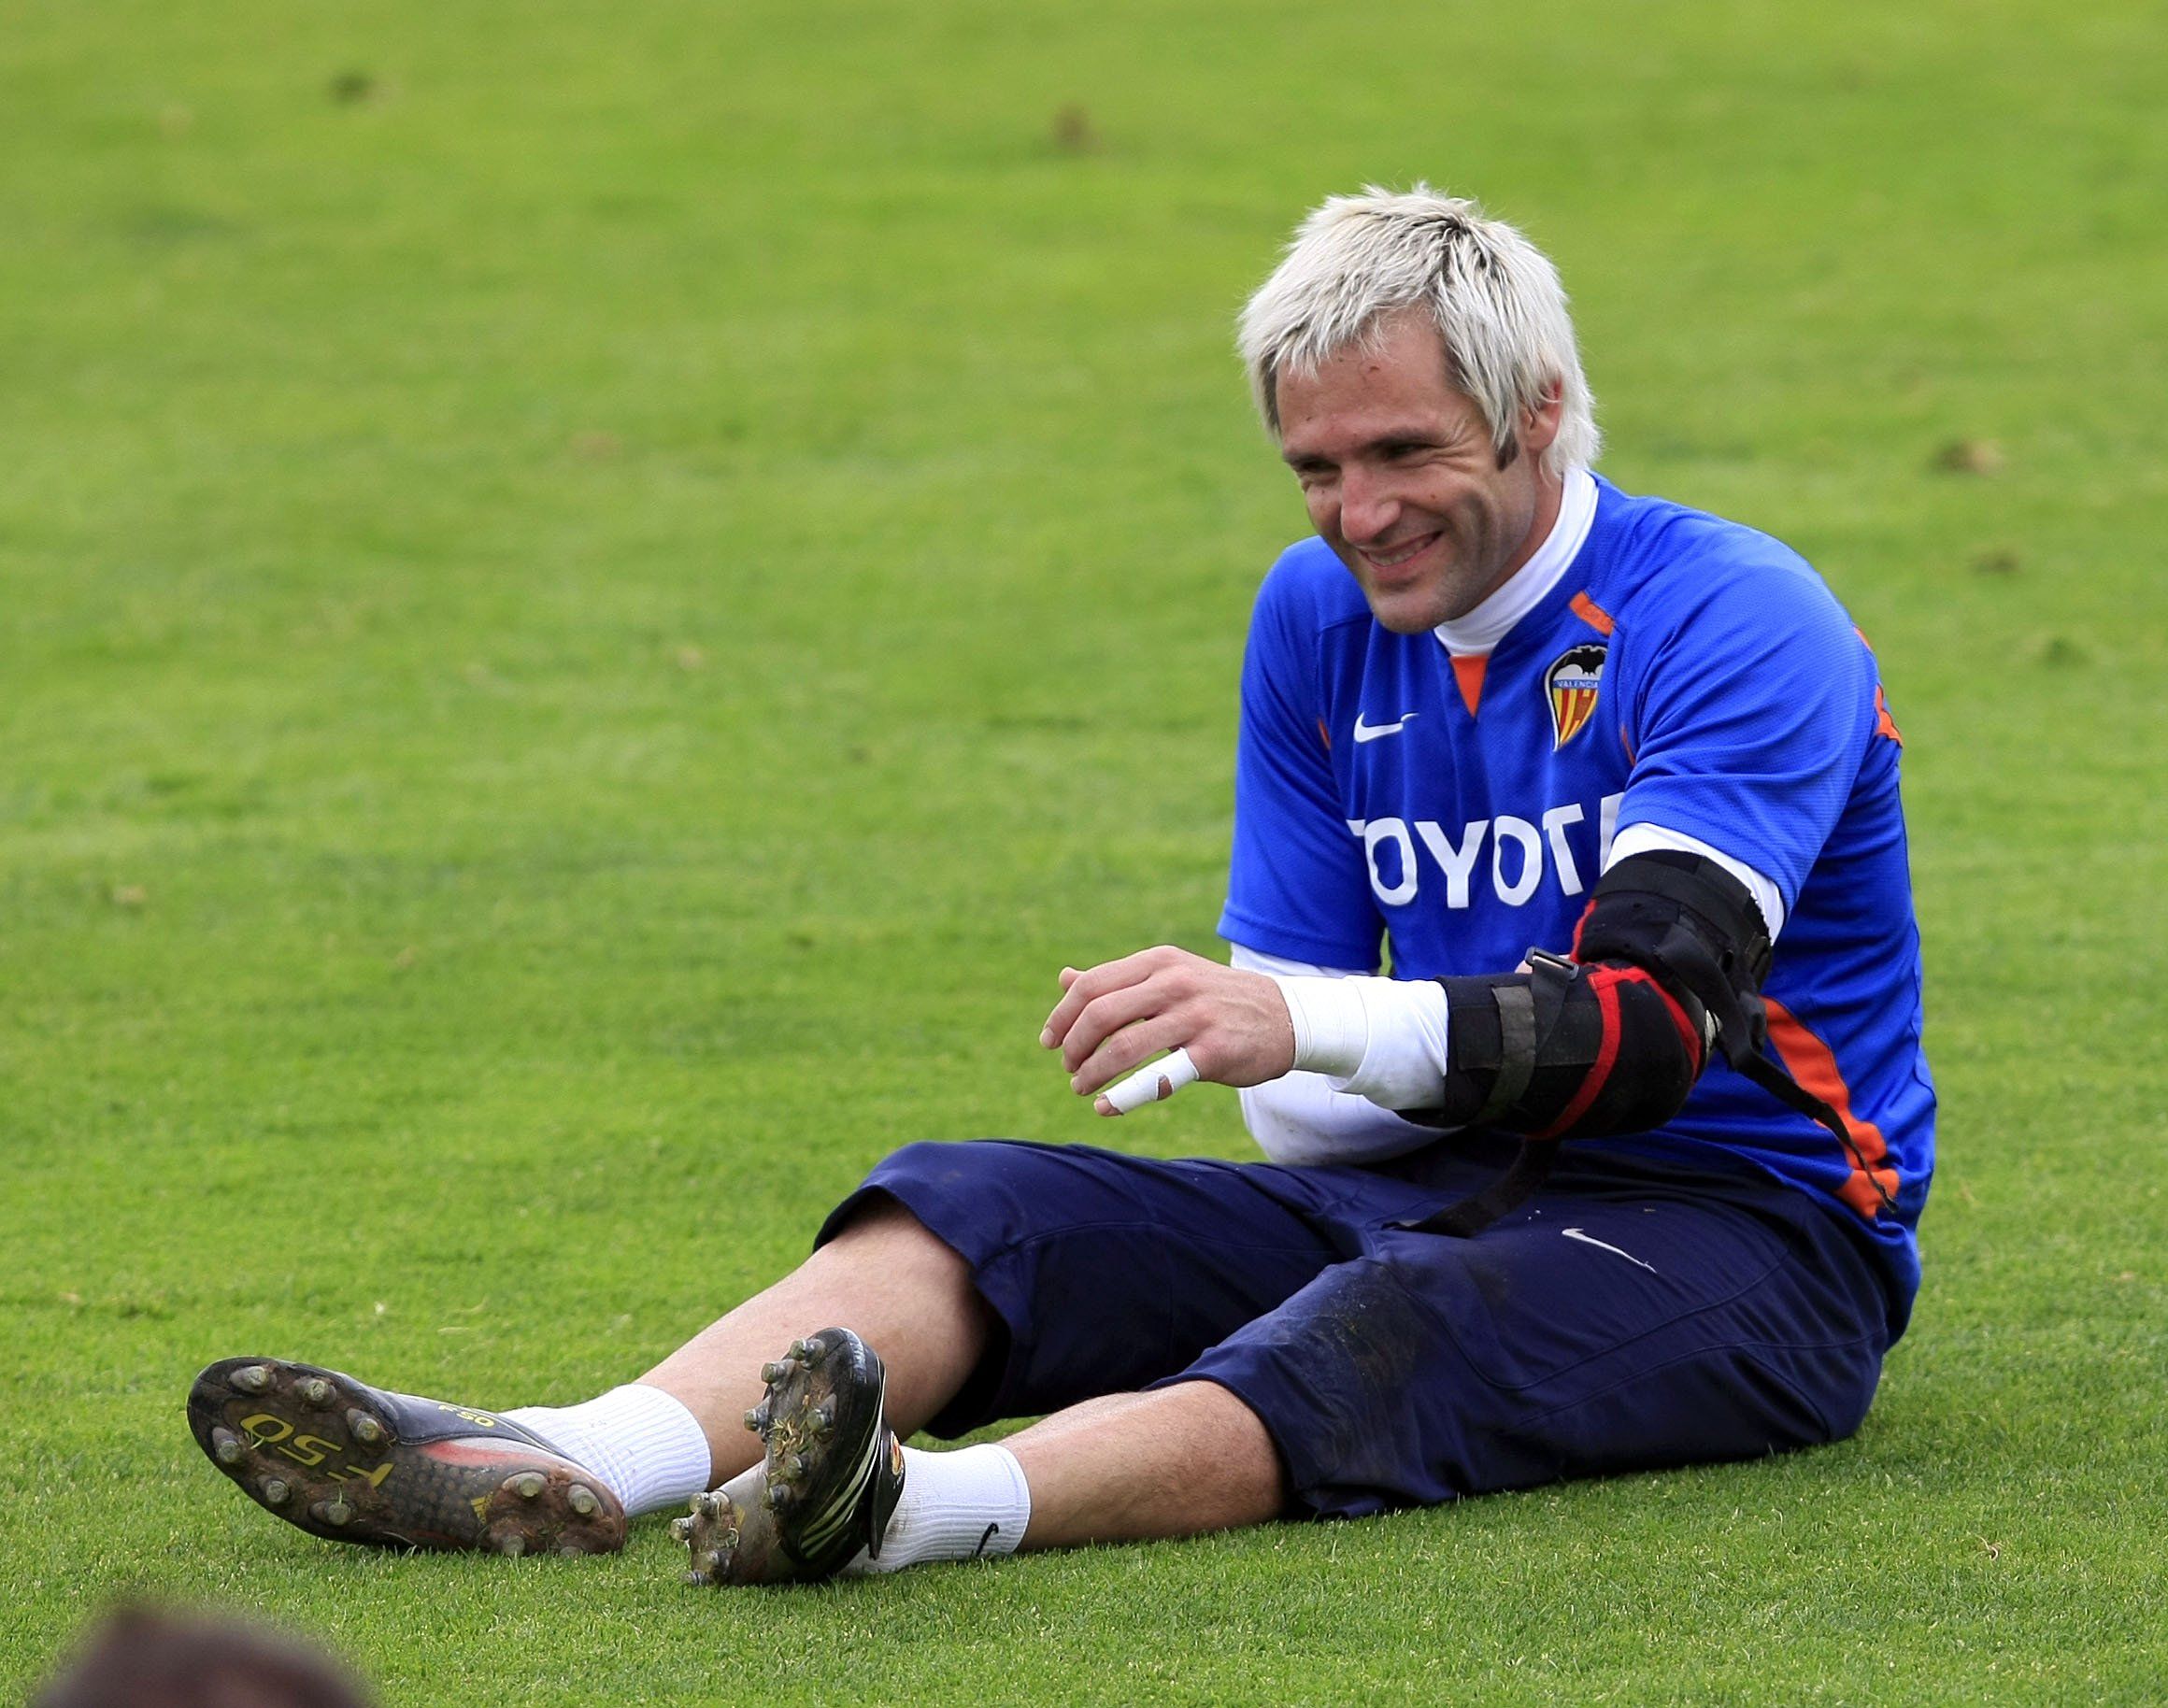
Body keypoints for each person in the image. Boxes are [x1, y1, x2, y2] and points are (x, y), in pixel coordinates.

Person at [188, 186, 1933, 1586]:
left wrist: (1298, 1021)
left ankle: (906, 1514)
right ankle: (575, 1455)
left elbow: (1648, 1030)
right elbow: (1314, 1132)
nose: (1359, 513)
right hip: (1442, 1171)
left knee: (1399, 1316)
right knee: (979, 1204)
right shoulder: (1317, 618)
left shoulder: (1729, 616)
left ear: (1540, 411)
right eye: (1316, 469)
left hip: (1757, 1227)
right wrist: (1274, 1047)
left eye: (1405, 454)